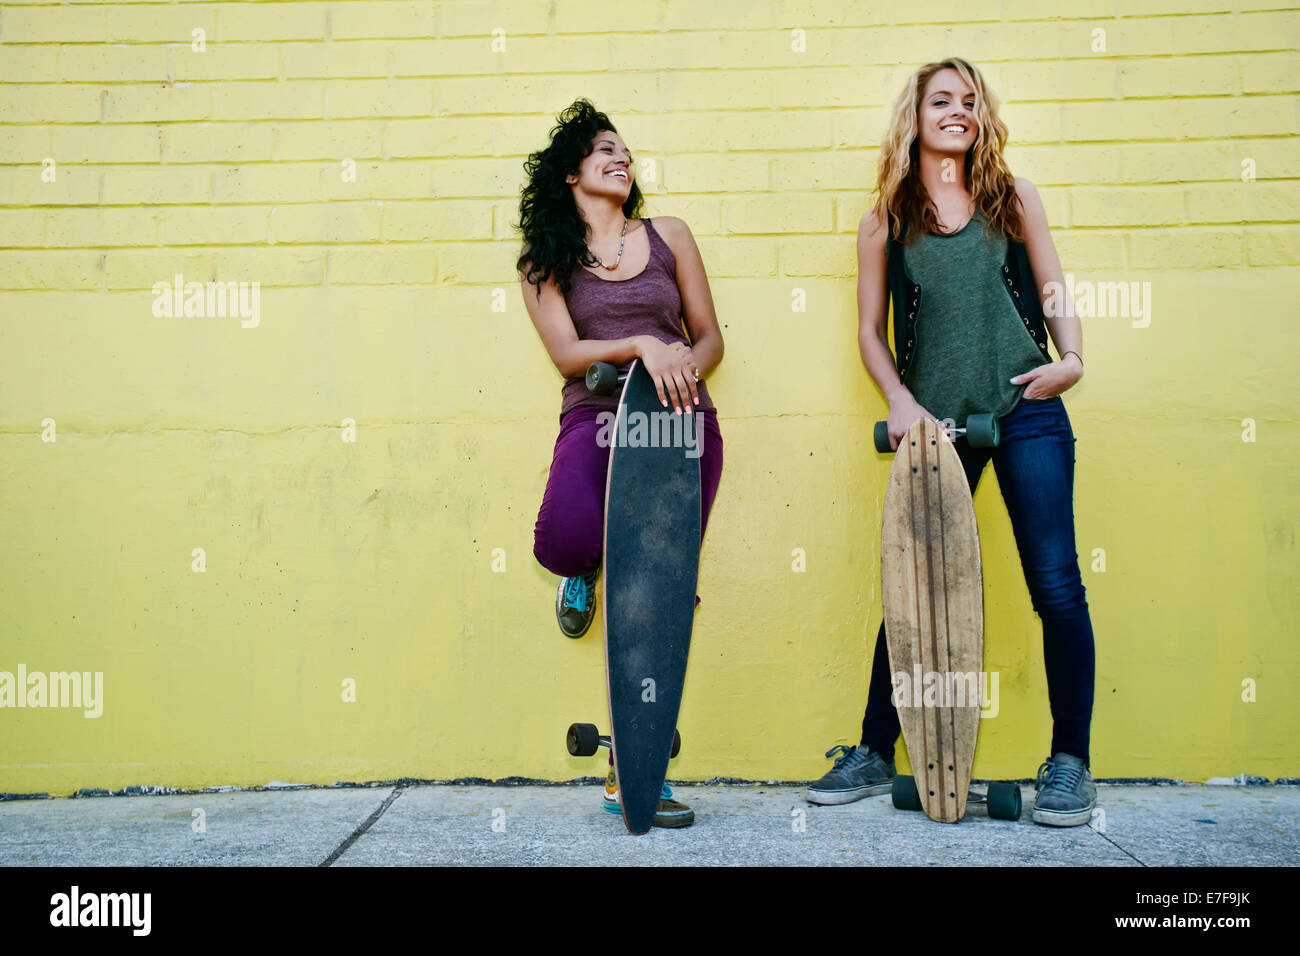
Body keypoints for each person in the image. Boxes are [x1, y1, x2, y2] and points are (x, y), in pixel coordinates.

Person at [805, 58, 1098, 826]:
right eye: (943, 100)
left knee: (1056, 584)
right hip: (938, 429)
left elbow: (1055, 291)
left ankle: (1071, 762)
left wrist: (1068, 362)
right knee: (913, 589)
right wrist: (901, 400)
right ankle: (875, 751)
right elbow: (869, 331)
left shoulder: (1013, 199)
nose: (958, 111)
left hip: (1025, 407)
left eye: (970, 101)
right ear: (916, 115)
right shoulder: (886, 220)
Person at [518, 99, 725, 828]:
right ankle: (589, 567)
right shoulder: (544, 259)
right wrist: (641, 345)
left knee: (663, 592)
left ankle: (635, 771)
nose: (621, 158)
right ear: (572, 170)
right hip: (598, 417)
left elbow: (708, 340)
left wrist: (682, 370)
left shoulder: (669, 236)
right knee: (566, 537)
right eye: (604, 149)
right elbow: (568, 355)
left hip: (675, 425)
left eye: (626, 151)